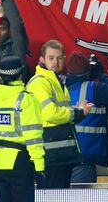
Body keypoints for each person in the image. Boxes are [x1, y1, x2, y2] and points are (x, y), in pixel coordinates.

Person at [25, 40, 92, 188]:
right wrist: (76, 113)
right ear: (41, 59)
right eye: (51, 58)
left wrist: (78, 110)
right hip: (50, 155)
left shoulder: (56, 81)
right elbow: (49, 113)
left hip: (60, 154)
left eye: (59, 58)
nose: (55, 62)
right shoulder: (40, 82)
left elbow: (59, 112)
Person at [0, 55, 44, 202]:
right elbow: (33, 136)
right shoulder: (26, 100)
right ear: (21, 75)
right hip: (20, 162)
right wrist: (39, 166)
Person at [66, 51, 108, 183]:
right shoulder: (94, 88)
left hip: (63, 154)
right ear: (88, 72)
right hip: (86, 155)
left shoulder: (58, 87)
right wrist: (100, 74)